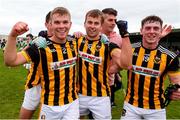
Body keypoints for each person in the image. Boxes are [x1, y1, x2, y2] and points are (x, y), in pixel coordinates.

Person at [4, 7, 79, 119]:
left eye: (65, 22)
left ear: (70, 24)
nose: (62, 26)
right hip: (45, 97)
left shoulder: (75, 43)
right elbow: (11, 61)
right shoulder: (39, 47)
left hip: (72, 102)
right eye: (57, 22)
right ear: (50, 24)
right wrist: (13, 36)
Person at [121, 15, 180, 120]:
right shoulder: (130, 49)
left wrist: (176, 91)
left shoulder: (170, 56)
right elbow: (118, 65)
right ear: (141, 31)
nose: (152, 31)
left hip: (156, 109)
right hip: (131, 106)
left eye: (156, 28)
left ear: (161, 31)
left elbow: (176, 81)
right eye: (148, 28)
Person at [77, 9, 132, 119]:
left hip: (101, 97)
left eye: (96, 23)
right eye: (90, 22)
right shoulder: (76, 41)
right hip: (78, 94)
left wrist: (125, 35)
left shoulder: (108, 45)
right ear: (84, 24)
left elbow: (127, 64)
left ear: (101, 25)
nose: (92, 26)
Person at [19, 11, 52, 119]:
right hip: (34, 83)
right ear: (46, 24)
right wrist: (32, 43)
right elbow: (24, 53)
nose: (55, 26)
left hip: (51, 84)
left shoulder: (65, 39)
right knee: (25, 115)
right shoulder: (42, 35)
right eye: (52, 22)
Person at [101, 8, 123, 107]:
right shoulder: (92, 34)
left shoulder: (118, 38)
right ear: (101, 20)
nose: (114, 23)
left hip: (108, 83)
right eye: (110, 20)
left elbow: (125, 59)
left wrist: (115, 69)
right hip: (89, 82)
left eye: (115, 20)